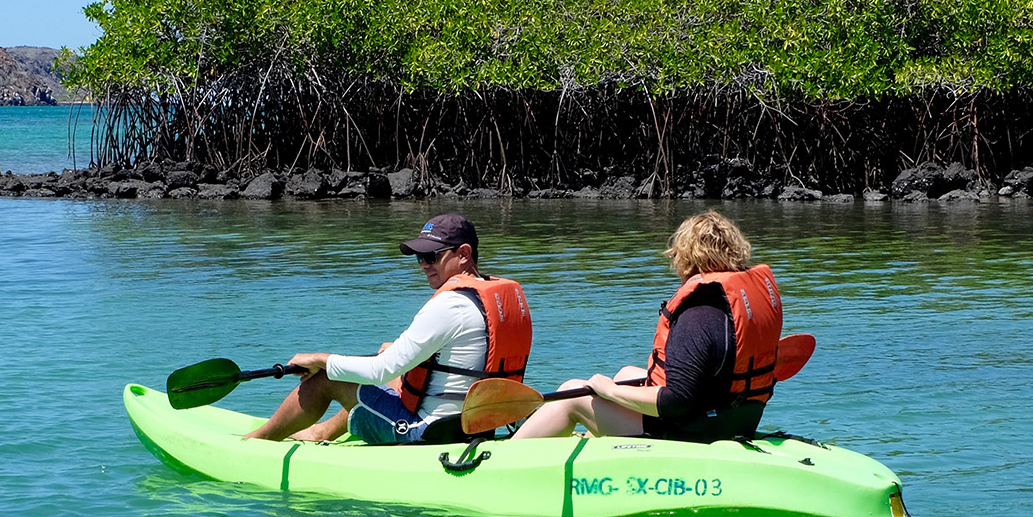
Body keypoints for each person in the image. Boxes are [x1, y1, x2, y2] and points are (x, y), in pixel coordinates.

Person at [244, 214, 532, 444]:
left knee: (325, 378)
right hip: (480, 426)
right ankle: (322, 432)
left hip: (426, 433)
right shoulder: (500, 298)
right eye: (420, 258)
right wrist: (398, 352)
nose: (423, 265)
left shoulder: (449, 304)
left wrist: (319, 359)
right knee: (395, 380)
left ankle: (256, 442)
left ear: (464, 253)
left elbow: (379, 371)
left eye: (431, 256)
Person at [512, 210, 781, 441]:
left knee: (571, 395)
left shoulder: (698, 313)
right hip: (735, 418)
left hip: (690, 432)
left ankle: (501, 460)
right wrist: (618, 388)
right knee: (626, 372)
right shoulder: (733, 304)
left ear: (686, 255)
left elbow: (676, 401)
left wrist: (611, 391)